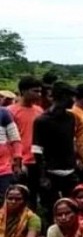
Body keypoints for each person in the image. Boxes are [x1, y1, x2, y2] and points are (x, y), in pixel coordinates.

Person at [32, 82, 79, 223]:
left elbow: (70, 143)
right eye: (71, 97)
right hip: (51, 172)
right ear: (63, 97)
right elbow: (37, 150)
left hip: (70, 171)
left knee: (72, 207)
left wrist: (74, 166)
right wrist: (43, 176)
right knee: (51, 209)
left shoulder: (70, 118)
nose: (73, 101)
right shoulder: (42, 121)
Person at [8, 76, 43, 209]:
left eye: (40, 91)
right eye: (35, 91)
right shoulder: (10, 111)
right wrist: (16, 162)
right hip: (19, 163)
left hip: (37, 161)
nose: (38, 95)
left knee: (33, 198)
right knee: (18, 199)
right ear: (23, 91)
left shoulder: (39, 111)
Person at [0, 106, 22, 202]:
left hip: (3, 169)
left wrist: (17, 163)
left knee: (6, 200)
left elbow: (15, 140)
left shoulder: (3, 113)